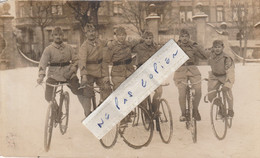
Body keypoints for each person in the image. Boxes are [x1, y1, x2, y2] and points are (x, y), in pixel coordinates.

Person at [37, 27, 86, 116]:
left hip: (68, 73)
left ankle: (87, 112)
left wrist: (72, 71)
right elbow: (42, 63)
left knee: (78, 90)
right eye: (55, 35)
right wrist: (41, 75)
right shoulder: (48, 49)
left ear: (63, 35)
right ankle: (57, 110)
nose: (58, 37)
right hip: (53, 75)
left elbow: (76, 60)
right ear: (52, 36)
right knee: (48, 96)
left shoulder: (69, 48)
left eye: (60, 35)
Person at [173, 29, 207, 122]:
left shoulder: (193, 46)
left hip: (192, 69)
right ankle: (183, 113)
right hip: (180, 70)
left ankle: (195, 110)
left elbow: (204, 56)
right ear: (179, 38)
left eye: (186, 36)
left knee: (198, 90)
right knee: (182, 92)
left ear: (189, 37)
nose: (184, 38)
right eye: (182, 36)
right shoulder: (175, 46)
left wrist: (197, 46)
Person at [79, 23, 112, 117]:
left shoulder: (100, 42)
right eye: (89, 32)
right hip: (88, 73)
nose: (91, 33)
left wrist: (110, 42)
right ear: (86, 34)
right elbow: (82, 62)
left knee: (107, 87)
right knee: (87, 92)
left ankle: (101, 104)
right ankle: (88, 114)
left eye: (93, 31)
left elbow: (109, 42)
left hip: (99, 72)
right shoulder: (84, 47)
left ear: (96, 32)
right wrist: (84, 76)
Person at [133, 31, 162, 114]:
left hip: (152, 72)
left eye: (150, 38)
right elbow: (129, 46)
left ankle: (154, 108)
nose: (148, 40)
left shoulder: (155, 48)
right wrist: (138, 40)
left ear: (152, 39)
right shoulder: (139, 47)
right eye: (146, 38)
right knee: (144, 94)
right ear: (143, 39)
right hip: (141, 71)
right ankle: (146, 114)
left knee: (159, 90)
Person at [207, 40, 235, 117]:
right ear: (212, 48)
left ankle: (230, 109)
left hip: (225, 76)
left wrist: (227, 84)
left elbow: (230, 71)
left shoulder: (226, 58)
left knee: (227, 92)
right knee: (210, 96)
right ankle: (221, 107)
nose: (217, 49)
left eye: (219, 47)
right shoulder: (211, 56)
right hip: (214, 77)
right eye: (215, 47)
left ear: (223, 48)